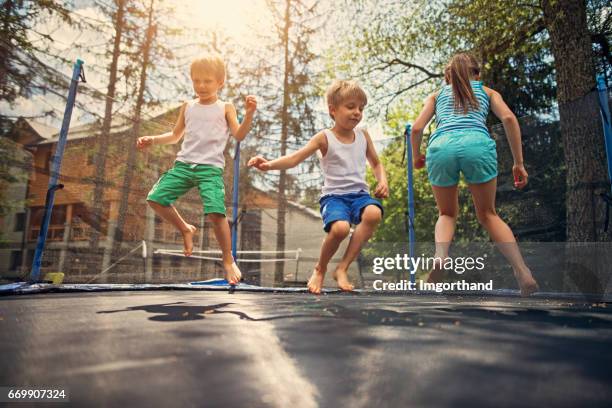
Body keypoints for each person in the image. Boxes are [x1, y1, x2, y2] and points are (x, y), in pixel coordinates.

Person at [411, 53, 539, 296]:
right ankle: (522, 272)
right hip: (477, 144)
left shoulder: (436, 95)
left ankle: (440, 256)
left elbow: (417, 128)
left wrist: (417, 156)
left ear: (446, 78)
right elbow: (509, 118)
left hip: (441, 147)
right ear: (477, 75)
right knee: (488, 214)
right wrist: (518, 163)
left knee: (447, 213)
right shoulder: (489, 92)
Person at [248, 80, 388, 294]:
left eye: (361, 108)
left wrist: (382, 181)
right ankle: (320, 269)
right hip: (334, 197)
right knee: (340, 228)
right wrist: (268, 165)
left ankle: (342, 268)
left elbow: (376, 163)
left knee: (373, 213)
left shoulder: (363, 135)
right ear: (333, 110)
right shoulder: (324, 138)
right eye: (351, 107)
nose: (357, 112)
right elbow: (295, 158)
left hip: (359, 195)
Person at [136, 53, 257, 285]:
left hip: (210, 169)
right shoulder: (188, 106)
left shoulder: (225, 107)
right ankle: (185, 229)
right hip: (184, 165)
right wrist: (152, 139)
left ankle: (228, 259)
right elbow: (174, 136)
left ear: (220, 82)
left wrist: (249, 114)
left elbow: (239, 134)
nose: (201, 86)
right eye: (196, 80)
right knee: (155, 198)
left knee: (215, 212)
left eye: (207, 81)